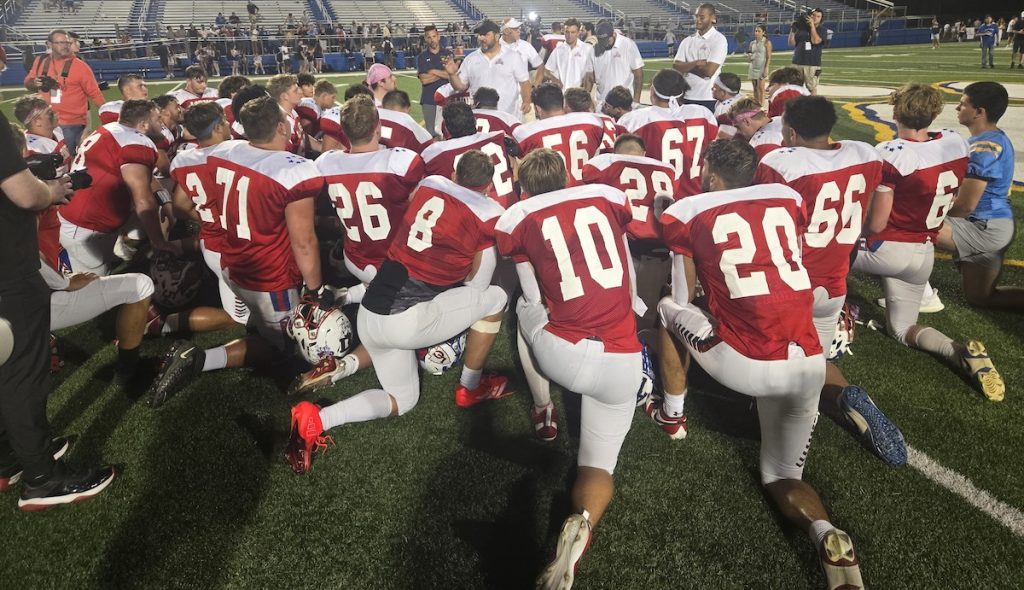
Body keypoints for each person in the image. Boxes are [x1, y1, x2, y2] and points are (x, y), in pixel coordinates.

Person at [658, 139, 863, 589]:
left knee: (667, 309)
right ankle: (826, 530)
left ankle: (672, 412)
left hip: (748, 361)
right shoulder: (786, 198)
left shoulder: (688, 211)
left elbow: (682, 295)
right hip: (808, 358)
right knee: (782, 475)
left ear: (712, 176)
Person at [285, 151, 510, 475]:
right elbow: (478, 286)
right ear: (488, 186)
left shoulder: (431, 183)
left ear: (455, 174)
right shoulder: (489, 212)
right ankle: (471, 386)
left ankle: (318, 418)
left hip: (370, 315)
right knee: (495, 298)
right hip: (408, 322)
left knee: (403, 400)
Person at [495, 148, 641, 588]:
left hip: (563, 352)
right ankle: (584, 520)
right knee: (597, 468)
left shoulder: (518, 217)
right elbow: (628, 272)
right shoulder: (606, 197)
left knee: (525, 311)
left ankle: (543, 409)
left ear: (524, 187)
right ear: (567, 175)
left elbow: (533, 295)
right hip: (622, 358)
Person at [753, 96, 906, 465]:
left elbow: (761, 223)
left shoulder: (780, 162)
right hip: (835, 281)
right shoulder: (864, 154)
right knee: (814, 362)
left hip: (793, 282)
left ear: (791, 131)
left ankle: (787, 425)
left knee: (771, 361)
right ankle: (840, 397)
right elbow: (877, 208)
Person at [146, 96, 328, 407]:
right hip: (268, 273)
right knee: (288, 349)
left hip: (231, 262)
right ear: (281, 127)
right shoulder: (291, 169)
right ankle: (199, 359)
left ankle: (175, 328)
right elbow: (304, 242)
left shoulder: (226, 153)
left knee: (250, 320)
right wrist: (315, 289)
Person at [855, 83, 1005, 402]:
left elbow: (877, 223)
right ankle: (958, 352)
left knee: (819, 251)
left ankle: (818, 324)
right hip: (924, 252)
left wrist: (853, 233)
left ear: (896, 112)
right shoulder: (954, 142)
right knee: (902, 329)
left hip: (888, 248)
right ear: (934, 113)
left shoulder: (891, 153)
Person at [0, 110, 116, 511]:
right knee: (21, 377)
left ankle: (11, 455)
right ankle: (41, 478)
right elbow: (25, 195)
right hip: (7, 275)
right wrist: (51, 190)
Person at [289, 95, 427, 393]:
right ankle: (343, 366)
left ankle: (345, 294)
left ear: (344, 132)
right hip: (395, 264)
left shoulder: (327, 163)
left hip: (355, 258)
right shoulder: (401, 161)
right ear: (378, 127)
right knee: (410, 330)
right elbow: (419, 210)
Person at [932, 81, 1021, 311]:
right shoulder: (993, 139)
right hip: (994, 224)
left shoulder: (985, 146)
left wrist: (931, 210)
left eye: (963, 104)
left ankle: (920, 295)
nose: (957, 108)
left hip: (982, 226)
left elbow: (965, 206)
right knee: (980, 298)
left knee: (915, 226)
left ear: (979, 112)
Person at [581, 134, 682, 332]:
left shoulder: (608, 162)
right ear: (644, 153)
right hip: (660, 249)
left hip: (629, 248)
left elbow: (588, 172)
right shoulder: (668, 169)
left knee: (631, 317)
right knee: (647, 312)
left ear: (616, 152)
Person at [58, 100, 170, 276]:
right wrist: (159, 242)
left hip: (79, 213)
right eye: (157, 119)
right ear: (143, 125)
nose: (161, 123)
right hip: (87, 227)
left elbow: (145, 176)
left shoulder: (110, 129)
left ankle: (120, 246)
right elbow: (143, 201)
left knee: (151, 209)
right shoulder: (136, 142)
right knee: (95, 285)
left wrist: (166, 200)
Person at [617, 69, 718, 196]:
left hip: (654, 197)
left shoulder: (633, 120)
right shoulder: (703, 114)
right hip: (696, 197)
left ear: (652, 91)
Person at [23, 29, 105, 156]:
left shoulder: (80, 66)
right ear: (49, 44)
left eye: (67, 42)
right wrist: (35, 82)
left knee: (69, 159)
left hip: (71, 124)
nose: (65, 46)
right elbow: (28, 82)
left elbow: (95, 93)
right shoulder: (40, 61)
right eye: (60, 43)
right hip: (45, 123)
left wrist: (108, 116)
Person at [423, 102, 517, 207]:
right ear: (474, 121)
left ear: (447, 129)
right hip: (511, 205)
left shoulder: (435, 153)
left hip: (476, 210)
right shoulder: (499, 137)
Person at [512, 83, 605, 182]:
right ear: (563, 103)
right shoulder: (592, 122)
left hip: (550, 189)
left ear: (538, 109)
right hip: (588, 188)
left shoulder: (526, 133)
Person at [445, 19, 532, 119]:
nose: (481, 38)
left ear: (497, 36)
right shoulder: (471, 59)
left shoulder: (513, 56)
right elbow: (460, 87)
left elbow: (524, 82)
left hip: (508, 117)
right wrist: (452, 75)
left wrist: (526, 101)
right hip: (481, 118)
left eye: (486, 34)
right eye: (480, 35)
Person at [672, 4, 727, 112]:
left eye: (702, 17)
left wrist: (686, 67)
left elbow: (709, 72)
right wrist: (696, 63)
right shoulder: (688, 40)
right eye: (696, 16)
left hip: (708, 97)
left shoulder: (719, 39)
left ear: (713, 18)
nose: (697, 20)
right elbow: (676, 66)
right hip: (686, 96)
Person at [591, 20, 644, 106]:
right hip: (602, 102)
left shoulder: (628, 44)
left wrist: (636, 99)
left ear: (613, 34)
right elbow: (590, 77)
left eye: (607, 40)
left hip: (624, 102)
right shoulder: (595, 48)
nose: (605, 44)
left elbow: (638, 74)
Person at [417, 25, 453, 138]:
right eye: (429, 37)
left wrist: (433, 71)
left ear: (438, 36)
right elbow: (424, 80)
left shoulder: (448, 54)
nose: (432, 40)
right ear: (425, 39)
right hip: (429, 100)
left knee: (449, 132)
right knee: (431, 134)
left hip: (447, 99)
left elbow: (451, 75)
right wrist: (443, 73)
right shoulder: (422, 57)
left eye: (434, 36)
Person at [546, 18, 595, 91]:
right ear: (563, 31)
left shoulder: (588, 49)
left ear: (578, 33)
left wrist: (587, 90)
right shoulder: (558, 50)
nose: (569, 35)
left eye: (573, 32)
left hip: (580, 94)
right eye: (567, 32)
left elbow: (593, 72)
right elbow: (547, 70)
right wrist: (554, 80)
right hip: (562, 93)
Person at [788, 8, 825, 95]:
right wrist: (793, 30)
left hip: (811, 64)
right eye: (813, 15)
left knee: (811, 88)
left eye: (818, 16)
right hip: (797, 62)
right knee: (795, 88)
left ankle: (812, 104)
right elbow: (791, 43)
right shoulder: (801, 29)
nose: (815, 18)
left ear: (821, 19)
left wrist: (812, 26)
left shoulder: (822, 30)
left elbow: (815, 41)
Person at [500, 18, 545, 87]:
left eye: (519, 28)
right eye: (515, 29)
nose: (519, 31)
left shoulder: (525, 46)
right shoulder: (494, 47)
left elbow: (540, 66)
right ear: (506, 31)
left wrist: (536, 86)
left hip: (522, 92)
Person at [267, 74, 304, 154]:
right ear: (284, 96)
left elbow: (301, 136)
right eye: (295, 90)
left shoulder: (292, 112)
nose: (300, 92)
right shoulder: (281, 121)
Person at [711, 72, 743, 139]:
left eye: (714, 88)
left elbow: (724, 137)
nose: (711, 89)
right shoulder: (741, 98)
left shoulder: (724, 109)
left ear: (723, 93)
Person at [748, 24, 772, 105]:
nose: (756, 33)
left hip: (761, 66)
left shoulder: (767, 42)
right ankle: (756, 104)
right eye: (756, 31)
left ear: (763, 32)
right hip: (753, 66)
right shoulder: (752, 43)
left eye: (759, 31)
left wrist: (766, 68)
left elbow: (768, 57)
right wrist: (749, 57)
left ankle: (761, 105)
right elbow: (750, 53)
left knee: (761, 88)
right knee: (755, 87)